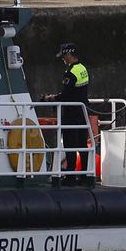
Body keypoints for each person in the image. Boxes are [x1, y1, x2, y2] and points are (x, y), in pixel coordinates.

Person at [41, 42, 91, 183]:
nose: (63, 59)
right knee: (82, 145)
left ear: (69, 54)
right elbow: (78, 92)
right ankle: (85, 175)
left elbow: (66, 95)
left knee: (70, 145)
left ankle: (70, 176)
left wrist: (50, 98)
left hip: (71, 113)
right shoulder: (83, 69)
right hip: (82, 111)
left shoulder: (70, 73)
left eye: (63, 56)